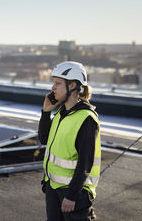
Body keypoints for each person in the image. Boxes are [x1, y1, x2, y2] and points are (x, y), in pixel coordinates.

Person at [38, 61, 101, 221]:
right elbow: (44, 139)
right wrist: (46, 113)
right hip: (54, 187)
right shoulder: (62, 113)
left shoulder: (86, 118)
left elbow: (85, 162)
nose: (53, 88)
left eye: (58, 83)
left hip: (74, 193)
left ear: (72, 85)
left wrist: (72, 195)